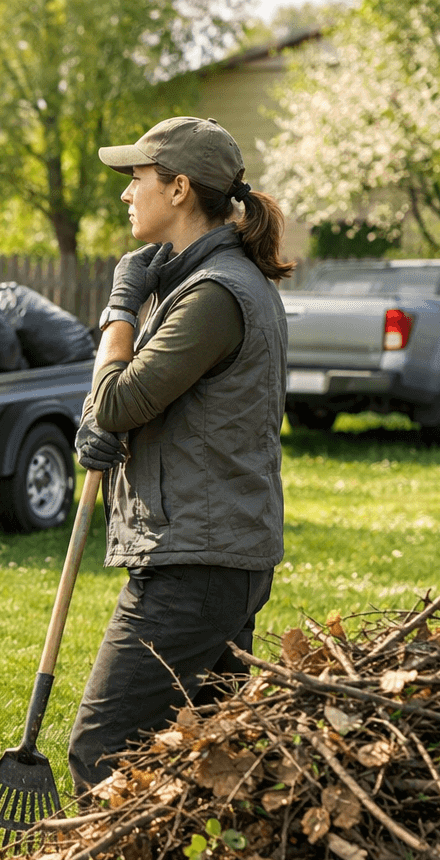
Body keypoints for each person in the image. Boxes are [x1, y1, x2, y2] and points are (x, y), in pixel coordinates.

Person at [67, 116, 295, 792]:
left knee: (103, 750)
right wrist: (101, 418)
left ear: (179, 188)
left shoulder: (214, 295)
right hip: (218, 553)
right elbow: (137, 406)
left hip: (196, 563)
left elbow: (117, 401)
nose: (125, 193)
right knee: (213, 765)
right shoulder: (208, 284)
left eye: (137, 178)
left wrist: (120, 309)